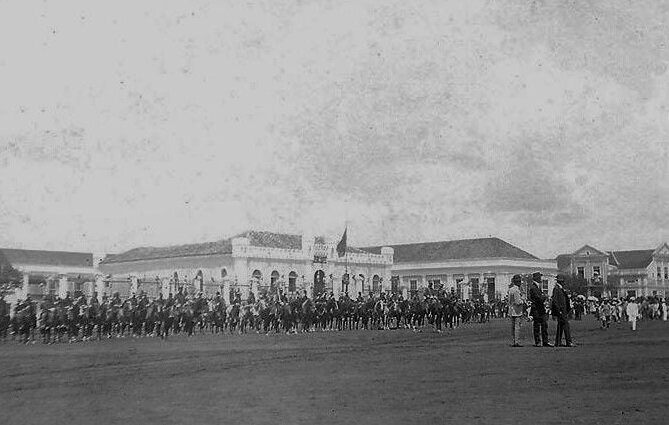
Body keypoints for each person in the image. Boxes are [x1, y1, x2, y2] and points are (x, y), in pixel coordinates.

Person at [529, 272, 552, 347]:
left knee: (544, 325)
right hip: (536, 308)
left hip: (540, 309)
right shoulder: (533, 287)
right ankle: (538, 341)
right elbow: (538, 298)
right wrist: (544, 297)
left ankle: (545, 341)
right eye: (539, 277)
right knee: (537, 326)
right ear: (536, 278)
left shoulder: (537, 287)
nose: (540, 279)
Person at [551, 275, 574, 347]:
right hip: (561, 310)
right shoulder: (557, 289)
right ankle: (568, 341)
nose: (564, 283)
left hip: (563, 310)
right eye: (563, 281)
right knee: (566, 325)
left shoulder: (560, 289)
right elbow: (555, 301)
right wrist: (559, 310)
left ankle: (558, 342)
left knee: (560, 326)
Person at [508, 274, 525, 347]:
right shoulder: (517, 290)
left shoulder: (511, 289)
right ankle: (516, 341)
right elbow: (518, 302)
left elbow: (509, 300)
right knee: (517, 326)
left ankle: (513, 341)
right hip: (517, 310)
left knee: (513, 327)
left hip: (512, 310)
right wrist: (523, 300)